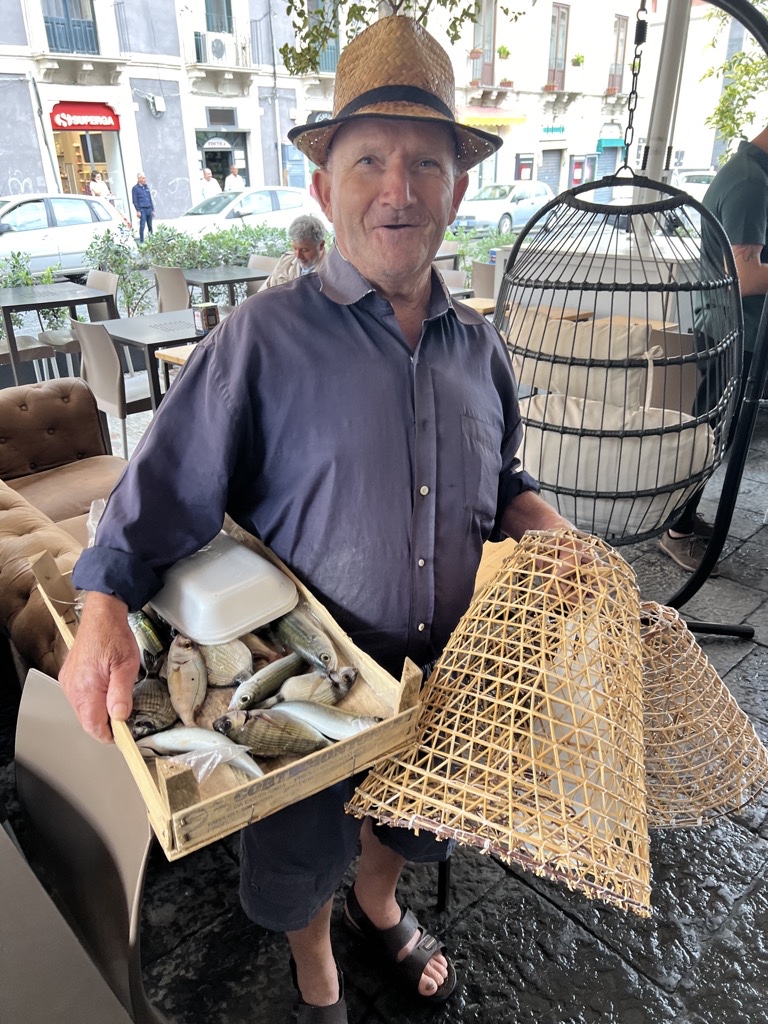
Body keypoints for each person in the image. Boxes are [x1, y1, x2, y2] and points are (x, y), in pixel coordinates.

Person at [59, 16, 583, 1022]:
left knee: (409, 826)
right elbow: (161, 488)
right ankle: (319, 962)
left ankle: (380, 909)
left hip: (446, 679)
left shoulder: (482, 346)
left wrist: (542, 521)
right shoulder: (261, 339)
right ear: (323, 187)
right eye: (371, 160)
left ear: (457, 188)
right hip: (308, 690)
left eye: (425, 162)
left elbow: (505, 480)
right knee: (301, 852)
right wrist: (101, 609)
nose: (400, 187)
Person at [658, 125, 768, 572]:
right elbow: (745, 278)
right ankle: (676, 529)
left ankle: (680, 520)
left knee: (711, 434)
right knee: (709, 437)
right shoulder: (750, 184)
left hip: (735, 330)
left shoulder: (750, 175)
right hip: (733, 333)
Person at [260, 213, 327, 289]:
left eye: (304, 250)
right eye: (295, 248)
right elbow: (264, 291)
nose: (298, 256)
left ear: (321, 245)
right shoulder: (286, 261)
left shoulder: (331, 270)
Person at [131, 172, 154, 243]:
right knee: (142, 226)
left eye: (145, 178)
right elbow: (135, 200)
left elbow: (150, 198)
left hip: (149, 208)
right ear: (139, 179)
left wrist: (152, 209)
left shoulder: (146, 187)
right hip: (142, 209)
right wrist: (138, 210)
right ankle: (141, 241)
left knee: (150, 225)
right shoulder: (135, 188)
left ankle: (152, 240)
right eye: (143, 178)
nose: (145, 179)